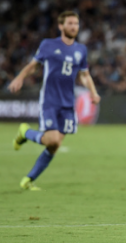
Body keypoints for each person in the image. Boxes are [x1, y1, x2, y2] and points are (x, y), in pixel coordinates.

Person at [9, 11, 100, 190]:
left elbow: (85, 75)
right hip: (50, 100)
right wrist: (20, 78)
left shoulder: (81, 50)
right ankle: (25, 132)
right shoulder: (48, 45)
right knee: (51, 140)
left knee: (55, 145)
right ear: (61, 26)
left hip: (68, 104)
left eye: (76, 23)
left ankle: (28, 179)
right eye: (70, 23)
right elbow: (34, 65)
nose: (74, 26)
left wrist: (93, 92)